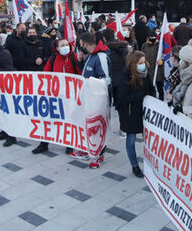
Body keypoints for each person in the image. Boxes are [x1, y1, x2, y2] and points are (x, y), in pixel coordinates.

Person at [31, 37, 82, 155]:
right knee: (48, 119)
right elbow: (46, 73)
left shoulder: (73, 57)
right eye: (62, 45)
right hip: (55, 95)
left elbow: (79, 74)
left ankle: (69, 144)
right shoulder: (53, 58)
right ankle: (43, 144)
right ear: (57, 48)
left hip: (70, 96)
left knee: (69, 120)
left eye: (67, 45)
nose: (66, 47)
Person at [115, 51, 153, 178]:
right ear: (133, 63)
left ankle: (151, 163)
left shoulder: (146, 74)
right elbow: (122, 98)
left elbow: (151, 89)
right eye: (140, 63)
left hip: (145, 112)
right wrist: (141, 95)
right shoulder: (125, 76)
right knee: (131, 140)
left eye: (144, 62)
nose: (143, 65)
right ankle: (135, 165)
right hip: (130, 113)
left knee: (149, 139)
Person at [76, 32, 111, 168]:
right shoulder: (90, 55)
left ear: (85, 43)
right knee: (88, 125)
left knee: (98, 127)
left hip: (99, 99)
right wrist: (80, 61)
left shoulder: (101, 57)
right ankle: (88, 149)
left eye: (80, 45)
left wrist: (91, 83)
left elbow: (106, 79)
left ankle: (99, 154)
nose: (80, 48)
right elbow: (86, 72)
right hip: (89, 97)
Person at [0, 34, 18, 146]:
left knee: (8, 112)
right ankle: (4, 131)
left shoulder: (4, 53)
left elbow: (8, 70)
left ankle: (12, 136)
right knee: (1, 111)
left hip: (6, 87)